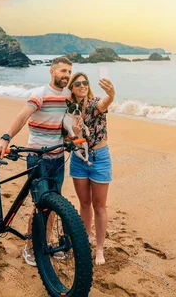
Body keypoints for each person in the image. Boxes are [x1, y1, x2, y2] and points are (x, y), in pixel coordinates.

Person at [0, 56, 74, 267]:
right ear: (52, 72)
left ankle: (45, 243)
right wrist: (5, 137)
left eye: (69, 72)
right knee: (40, 205)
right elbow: (22, 116)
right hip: (37, 158)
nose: (66, 75)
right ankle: (29, 247)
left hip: (57, 157)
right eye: (62, 71)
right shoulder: (40, 94)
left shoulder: (69, 95)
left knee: (54, 203)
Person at [67, 72, 115, 265]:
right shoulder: (69, 110)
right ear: (72, 88)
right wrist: (75, 134)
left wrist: (111, 95)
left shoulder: (95, 103)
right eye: (77, 83)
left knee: (100, 206)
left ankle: (100, 249)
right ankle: (85, 241)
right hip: (79, 159)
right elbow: (68, 137)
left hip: (100, 158)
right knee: (85, 204)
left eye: (85, 82)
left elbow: (105, 103)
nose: (82, 85)